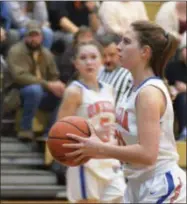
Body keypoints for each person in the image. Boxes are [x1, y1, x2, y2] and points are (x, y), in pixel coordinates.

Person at [63, 21, 186, 203]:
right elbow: (130, 144)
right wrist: (96, 147)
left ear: (145, 52)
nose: (119, 47)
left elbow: (148, 154)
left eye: (126, 42)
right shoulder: (134, 88)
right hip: (138, 183)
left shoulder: (148, 92)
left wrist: (100, 148)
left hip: (161, 185)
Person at [57, 41, 126, 203]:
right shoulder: (74, 92)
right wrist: (92, 132)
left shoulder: (109, 90)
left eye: (93, 57)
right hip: (85, 162)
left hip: (110, 160)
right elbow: (60, 131)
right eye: (83, 58)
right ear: (76, 64)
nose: (89, 62)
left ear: (101, 60)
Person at [7, 20, 65, 140]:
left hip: (41, 91)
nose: (34, 39)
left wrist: (58, 85)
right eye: (31, 36)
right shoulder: (16, 51)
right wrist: (47, 84)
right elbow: (20, 77)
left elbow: (54, 76)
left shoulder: (46, 53)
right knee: (34, 90)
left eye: (36, 36)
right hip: (17, 93)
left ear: (42, 37)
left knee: (64, 93)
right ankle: (25, 129)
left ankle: (50, 132)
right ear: (25, 37)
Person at [98, 33, 133, 106]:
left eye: (111, 55)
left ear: (120, 52)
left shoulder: (129, 76)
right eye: (104, 56)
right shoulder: (97, 73)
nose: (108, 60)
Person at [165, 32, 187, 140]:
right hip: (175, 100)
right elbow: (165, 82)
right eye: (185, 49)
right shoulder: (172, 66)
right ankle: (184, 131)